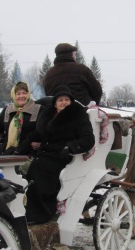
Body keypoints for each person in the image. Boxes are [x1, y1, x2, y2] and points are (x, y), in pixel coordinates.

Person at [25, 85, 95, 224]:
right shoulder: (48, 115)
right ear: (55, 103)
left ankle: (44, 213)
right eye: (60, 100)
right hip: (47, 153)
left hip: (65, 155)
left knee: (41, 170)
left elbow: (88, 139)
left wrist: (70, 147)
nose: (63, 102)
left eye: (66, 99)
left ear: (71, 101)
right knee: (33, 169)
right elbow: (36, 135)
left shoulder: (78, 115)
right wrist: (18, 149)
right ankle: (31, 211)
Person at [0, 81, 44, 156]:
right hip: (7, 152)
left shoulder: (38, 109)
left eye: (24, 93)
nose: (21, 96)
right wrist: (3, 140)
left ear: (28, 94)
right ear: (14, 95)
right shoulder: (8, 110)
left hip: (29, 153)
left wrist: (19, 150)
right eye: (18, 93)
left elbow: (39, 133)